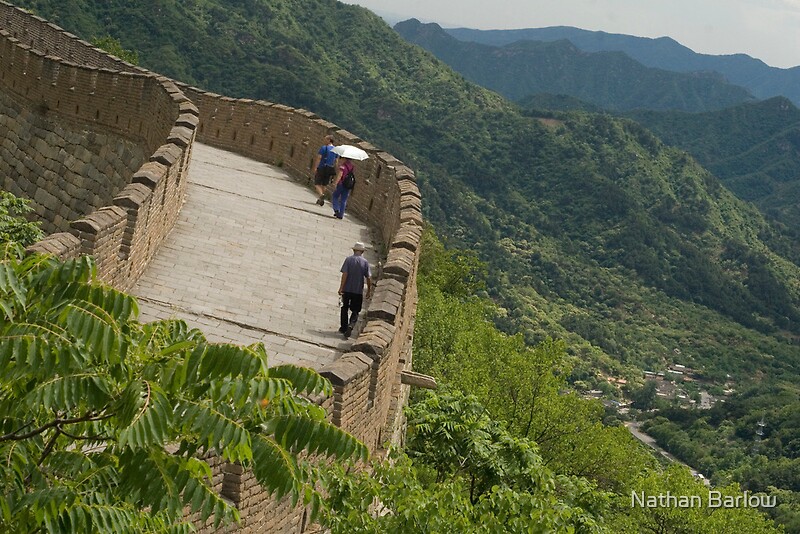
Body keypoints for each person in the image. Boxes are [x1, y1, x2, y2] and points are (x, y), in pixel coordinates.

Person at [338, 241, 372, 338]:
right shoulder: (365, 262)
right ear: (362, 252)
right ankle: (351, 325)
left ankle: (343, 327)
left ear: (354, 250)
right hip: (357, 291)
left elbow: (345, 274)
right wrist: (369, 290)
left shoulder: (348, 260)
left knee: (344, 308)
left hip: (347, 289)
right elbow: (368, 277)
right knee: (356, 310)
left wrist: (341, 288)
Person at [312, 135, 337, 205]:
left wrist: (315, 167)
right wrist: (333, 169)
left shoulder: (324, 148)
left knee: (317, 183)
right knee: (324, 184)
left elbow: (319, 158)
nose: (324, 141)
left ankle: (321, 195)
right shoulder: (335, 150)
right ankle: (320, 200)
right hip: (330, 168)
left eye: (325, 139)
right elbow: (336, 161)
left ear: (329, 140)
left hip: (322, 167)